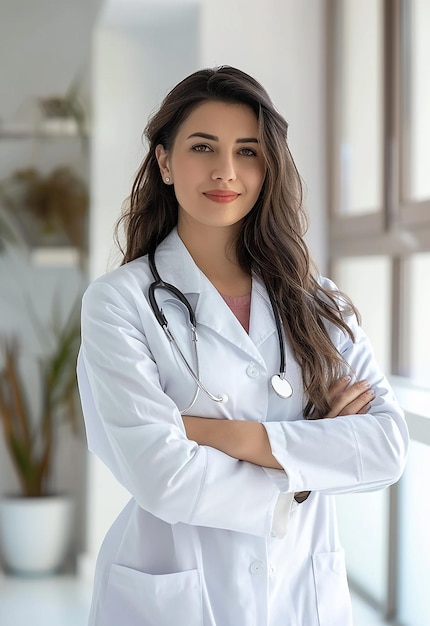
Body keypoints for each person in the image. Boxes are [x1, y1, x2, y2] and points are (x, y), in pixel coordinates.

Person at [77, 66, 409, 626]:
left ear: (268, 165)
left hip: (301, 592)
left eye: (248, 151)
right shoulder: (119, 303)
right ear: (164, 161)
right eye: (203, 146)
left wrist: (211, 433)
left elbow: (386, 448)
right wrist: (303, 469)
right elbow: (164, 477)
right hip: (174, 595)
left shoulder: (318, 302)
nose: (226, 171)